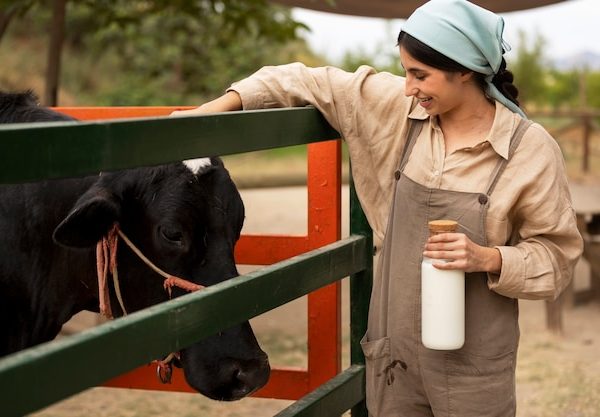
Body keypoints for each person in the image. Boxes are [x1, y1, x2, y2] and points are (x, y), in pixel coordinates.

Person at [172, 0, 583, 415]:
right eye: (406, 72)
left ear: (464, 70)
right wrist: (204, 118)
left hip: (475, 368)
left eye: (420, 75)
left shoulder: (530, 150)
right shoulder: (395, 112)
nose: (409, 87)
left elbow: (557, 258)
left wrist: (489, 258)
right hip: (396, 361)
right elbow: (299, 80)